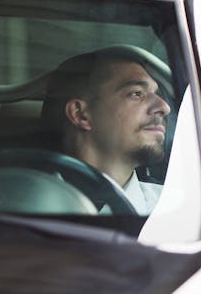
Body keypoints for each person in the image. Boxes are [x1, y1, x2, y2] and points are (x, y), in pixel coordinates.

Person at [41, 46, 171, 215]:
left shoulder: (182, 213)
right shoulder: (14, 202)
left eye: (156, 93)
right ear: (80, 115)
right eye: (136, 93)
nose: (164, 107)